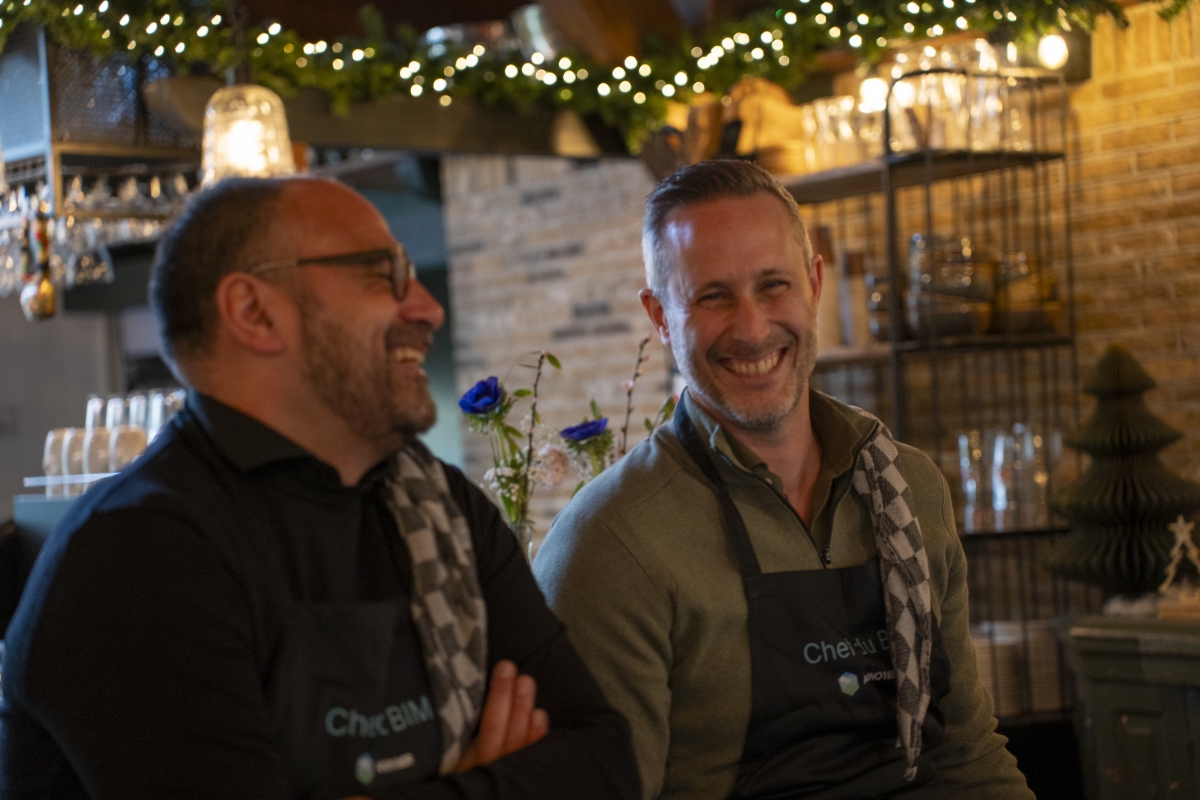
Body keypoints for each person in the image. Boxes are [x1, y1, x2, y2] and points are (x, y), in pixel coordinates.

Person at [0, 176, 639, 800]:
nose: (428, 308)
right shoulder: (138, 553)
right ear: (255, 312)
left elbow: (605, 764)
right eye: (382, 275)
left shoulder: (439, 503)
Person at [534, 160, 1034, 800]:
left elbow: (966, 754)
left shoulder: (909, 487)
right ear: (659, 316)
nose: (751, 329)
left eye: (773, 285)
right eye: (712, 296)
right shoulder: (610, 544)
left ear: (815, 284)